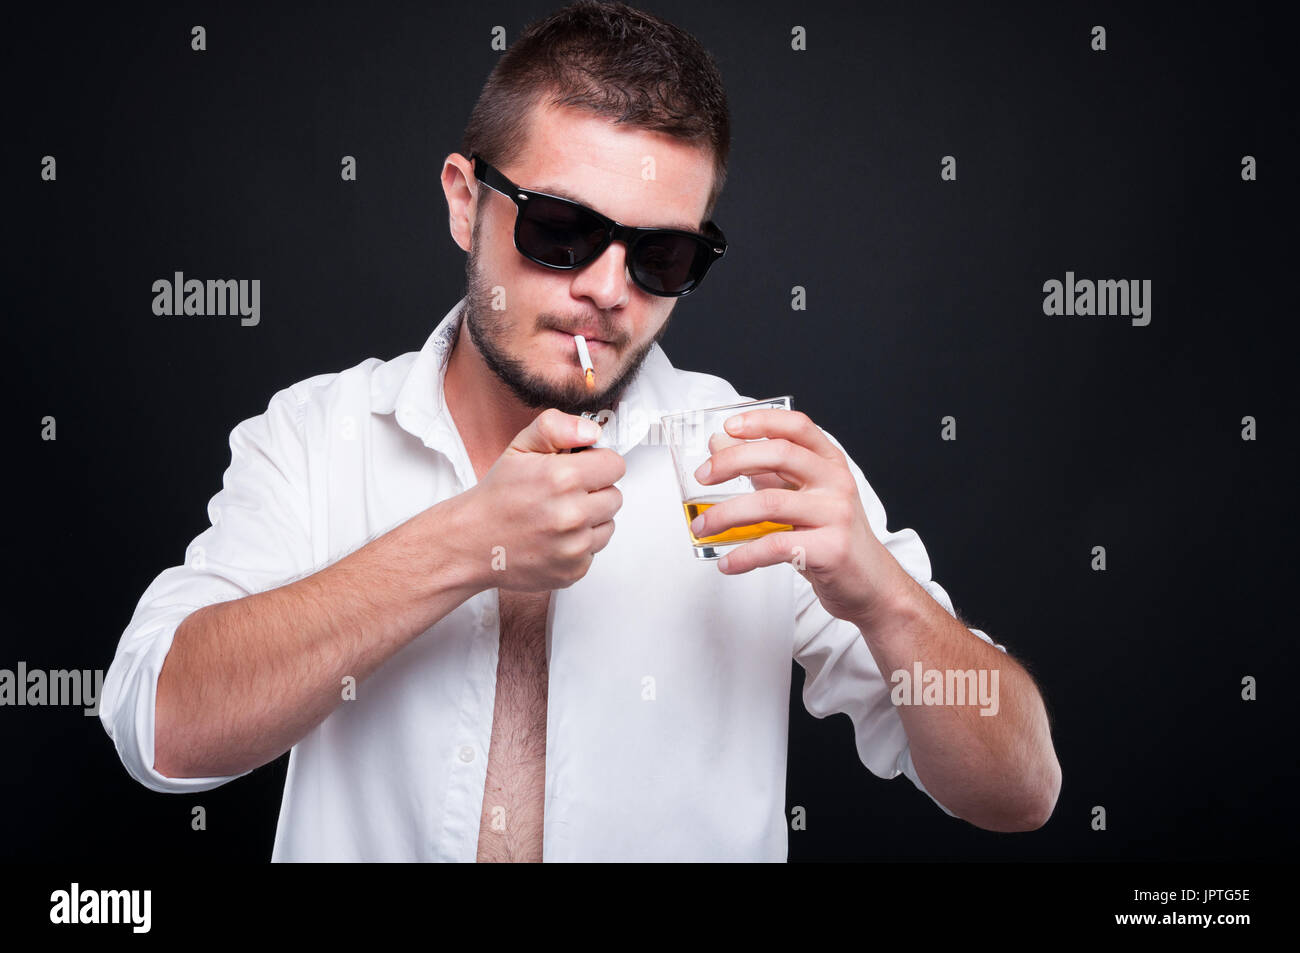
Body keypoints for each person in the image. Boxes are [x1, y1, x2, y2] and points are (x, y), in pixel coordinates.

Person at [100, 0, 1060, 862]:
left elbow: (1021, 791)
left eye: (661, 253)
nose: (607, 288)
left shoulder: (756, 465)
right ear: (465, 201)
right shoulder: (318, 435)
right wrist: (466, 541)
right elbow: (160, 727)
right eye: (560, 230)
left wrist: (885, 599)